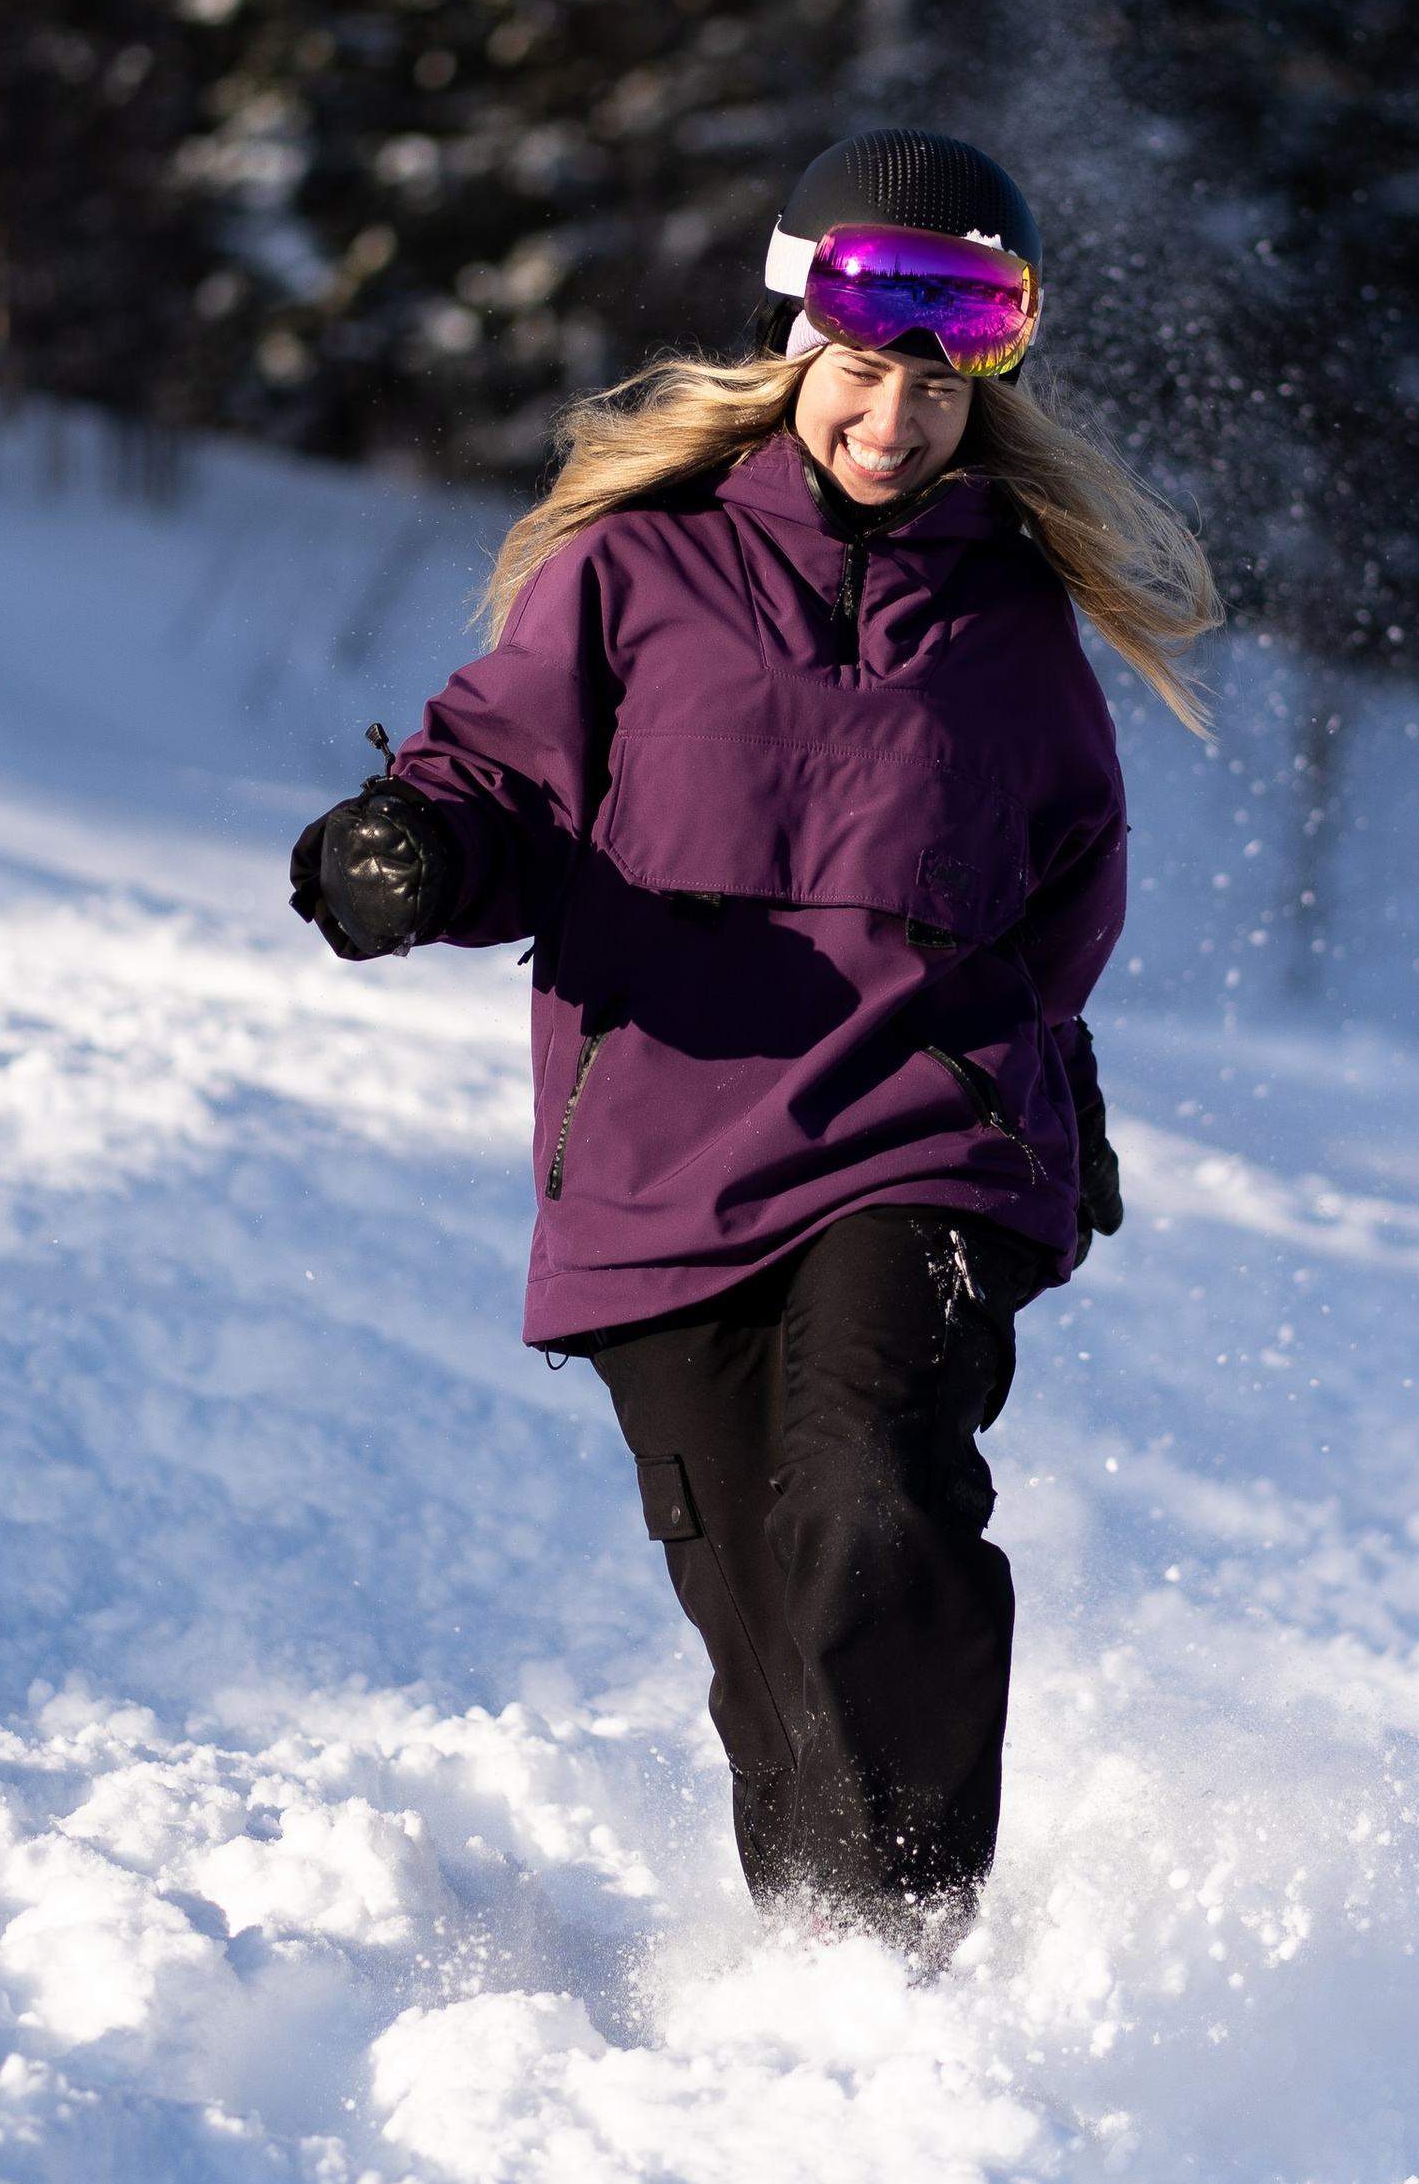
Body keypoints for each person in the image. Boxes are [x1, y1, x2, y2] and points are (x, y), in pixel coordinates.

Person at [290, 130, 1217, 1954]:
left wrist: (1042, 1078)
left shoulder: (1015, 621)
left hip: (920, 1142)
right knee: (771, 1634)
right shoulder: (637, 575)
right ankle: (823, 1985)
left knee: (877, 1507)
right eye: (865, 371)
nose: (897, 420)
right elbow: (500, 781)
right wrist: (413, 849)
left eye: (940, 387)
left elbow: (1068, 885)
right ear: (796, 341)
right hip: (664, 1162)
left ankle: (911, 1964)